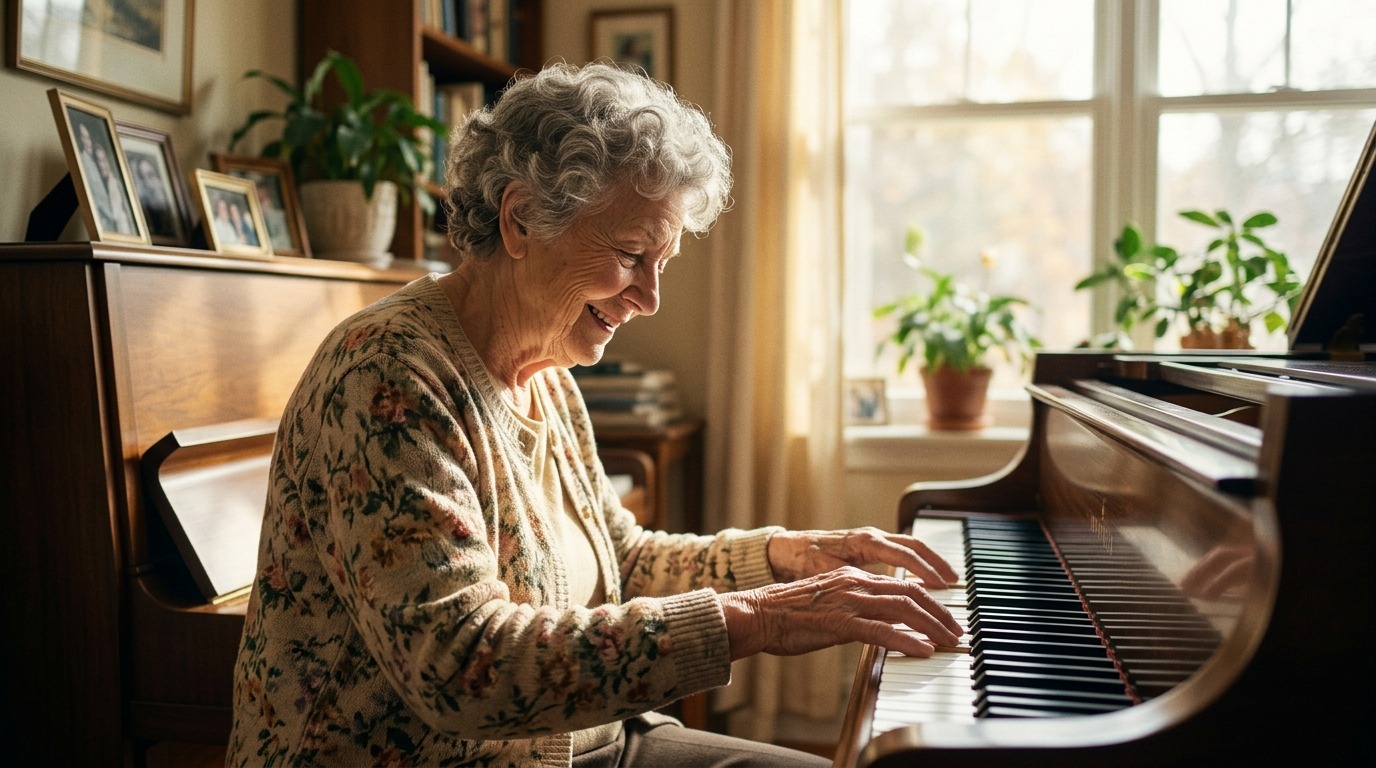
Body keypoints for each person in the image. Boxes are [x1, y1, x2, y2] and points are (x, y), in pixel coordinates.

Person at [227, 62, 963, 768]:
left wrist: (779, 558)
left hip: (581, 743)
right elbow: (461, 664)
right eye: (631, 253)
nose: (650, 298)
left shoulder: (547, 372)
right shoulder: (387, 375)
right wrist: (760, 619)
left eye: (661, 263)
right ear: (521, 220)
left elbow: (622, 561)